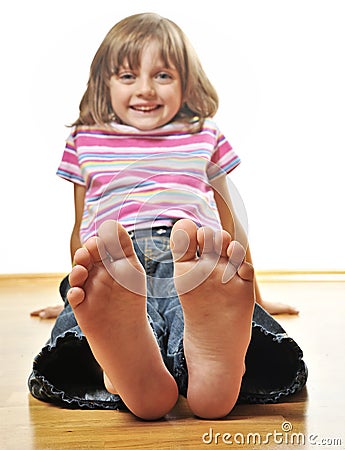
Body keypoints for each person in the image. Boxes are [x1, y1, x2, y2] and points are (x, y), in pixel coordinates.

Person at [28, 12, 307, 420]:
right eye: (127, 77)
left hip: (191, 253)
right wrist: (78, 289)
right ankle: (140, 369)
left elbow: (228, 226)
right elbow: (82, 226)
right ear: (103, 83)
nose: (145, 90)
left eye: (162, 75)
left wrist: (252, 296)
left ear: (186, 82)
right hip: (115, 256)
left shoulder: (203, 135)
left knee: (196, 307)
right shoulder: (85, 140)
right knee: (112, 316)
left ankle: (192, 368)